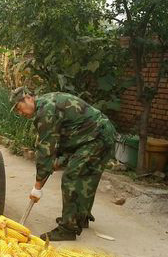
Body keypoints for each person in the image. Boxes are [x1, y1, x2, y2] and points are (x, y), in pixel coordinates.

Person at [10, 87, 116, 241]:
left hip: (96, 137)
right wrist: (55, 161)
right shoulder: (45, 104)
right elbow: (56, 143)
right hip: (93, 135)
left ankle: (68, 228)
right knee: (86, 177)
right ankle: (79, 217)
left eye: (19, 108)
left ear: (27, 99)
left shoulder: (46, 111)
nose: (21, 113)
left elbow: (46, 151)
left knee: (72, 177)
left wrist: (37, 187)